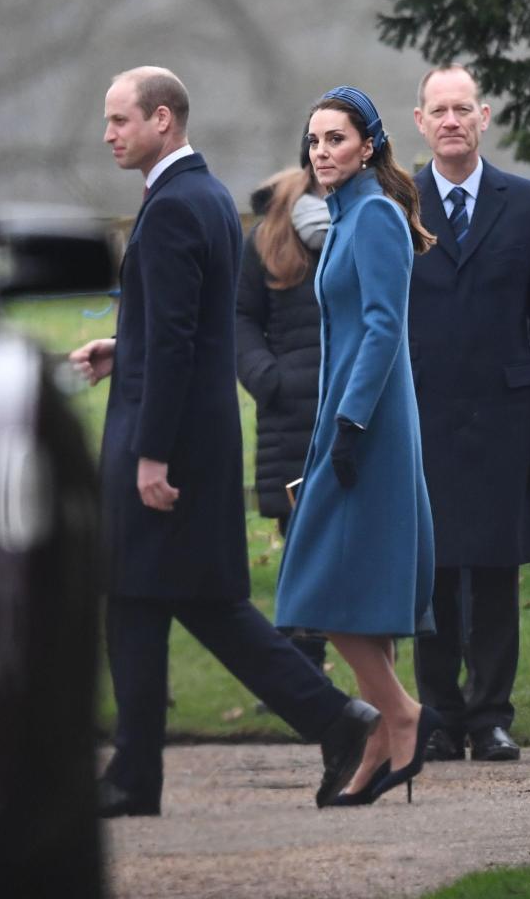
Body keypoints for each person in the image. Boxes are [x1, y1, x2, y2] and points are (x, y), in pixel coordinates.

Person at [69, 66, 380, 817]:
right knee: (154, 602)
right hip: (191, 435)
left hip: (167, 447)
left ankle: (340, 721)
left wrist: (150, 453)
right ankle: (140, 774)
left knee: (190, 605)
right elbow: (189, 326)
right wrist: (124, 345)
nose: (108, 134)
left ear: (164, 120)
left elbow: (178, 338)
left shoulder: (176, 206)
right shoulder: (201, 196)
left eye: (121, 120)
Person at [276, 86, 439, 807]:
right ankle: (381, 737)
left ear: (367, 145)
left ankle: (398, 716)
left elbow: (382, 327)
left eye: (336, 139)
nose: (321, 152)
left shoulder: (373, 215)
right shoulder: (343, 218)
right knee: (345, 587)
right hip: (343, 418)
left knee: (324, 586)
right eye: (314, 141)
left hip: (367, 423)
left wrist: (350, 423)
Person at [410, 64, 530, 762]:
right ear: (420, 122)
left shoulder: (529, 204)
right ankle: (440, 716)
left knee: (497, 571)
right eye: (438, 109)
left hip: (507, 416)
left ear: (485, 117)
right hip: (422, 414)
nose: (451, 120)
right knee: (433, 571)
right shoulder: (395, 203)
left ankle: (490, 716)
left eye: (462, 108)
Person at [236, 152, 329, 670]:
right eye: (320, 142)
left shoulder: (378, 217)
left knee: (368, 547)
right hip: (291, 414)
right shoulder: (271, 229)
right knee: (301, 546)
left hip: (363, 407)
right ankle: (301, 676)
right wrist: (266, 378)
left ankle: (380, 686)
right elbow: (241, 316)